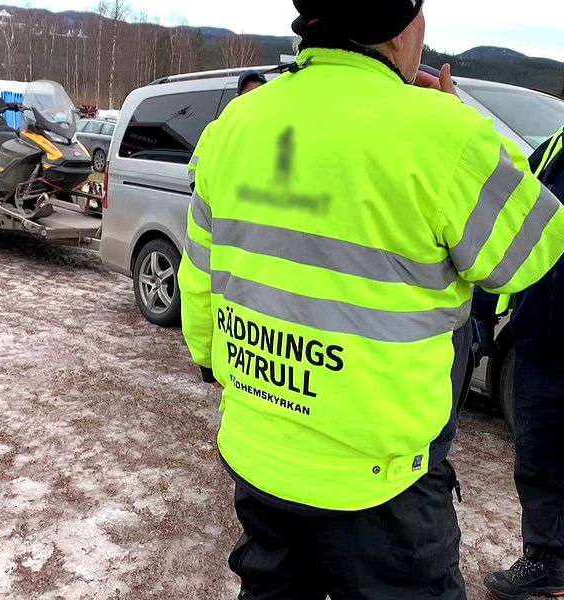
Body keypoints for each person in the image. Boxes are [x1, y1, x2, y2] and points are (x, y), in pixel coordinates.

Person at [179, 0, 564, 597]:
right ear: (400, 30)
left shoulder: (234, 125)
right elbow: (530, 253)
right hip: (384, 485)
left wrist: (217, 363)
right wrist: (465, 129)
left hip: (261, 458)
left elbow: (199, 277)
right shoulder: (444, 134)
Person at [481, 126, 564, 600]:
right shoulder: (556, 143)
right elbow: (509, 201)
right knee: (538, 458)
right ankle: (547, 560)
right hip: (542, 338)